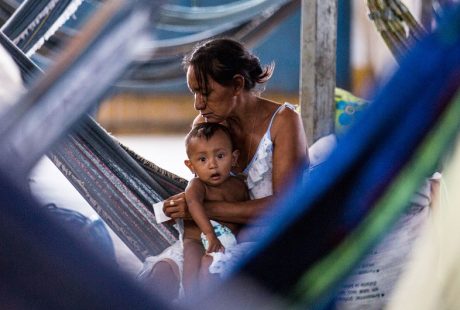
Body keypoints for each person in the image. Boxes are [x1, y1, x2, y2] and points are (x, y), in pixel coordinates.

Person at [137, 37, 309, 301]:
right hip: (216, 238)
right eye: (193, 92)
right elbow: (203, 189)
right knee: (160, 276)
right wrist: (181, 208)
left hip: (267, 242)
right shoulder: (206, 125)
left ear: (238, 84)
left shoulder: (284, 122)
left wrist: (199, 209)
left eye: (205, 93)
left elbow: (284, 208)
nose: (198, 104)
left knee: (214, 277)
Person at [182, 122, 249, 296]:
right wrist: (210, 234)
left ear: (233, 158)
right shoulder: (197, 185)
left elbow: (245, 215)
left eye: (220, 156)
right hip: (198, 239)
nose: (212, 165)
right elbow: (193, 204)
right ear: (191, 166)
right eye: (202, 159)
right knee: (191, 271)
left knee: (214, 270)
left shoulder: (239, 185)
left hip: (229, 243)